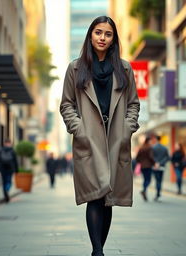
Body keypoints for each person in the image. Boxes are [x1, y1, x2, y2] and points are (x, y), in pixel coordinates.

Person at [60, 16, 140, 256]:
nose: (102, 38)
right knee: (95, 196)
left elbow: (133, 104)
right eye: (98, 32)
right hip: (90, 141)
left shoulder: (124, 68)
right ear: (90, 35)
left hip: (115, 140)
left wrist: (127, 128)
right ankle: (97, 251)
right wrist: (79, 129)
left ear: (113, 38)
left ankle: (99, 249)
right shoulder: (75, 68)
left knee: (108, 198)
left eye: (108, 34)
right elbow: (67, 105)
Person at [151, 134, 169, 202]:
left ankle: (157, 194)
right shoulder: (164, 148)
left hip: (155, 167)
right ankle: (158, 193)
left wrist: (156, 163)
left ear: (156, 139)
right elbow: (167, 157)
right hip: (162, 167)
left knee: (157, 180)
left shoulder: (153, 148)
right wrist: (161, 163)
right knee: (160, 181)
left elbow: (152, 157)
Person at [136, 136, 155, 202]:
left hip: (142, 166)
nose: (151, 142)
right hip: (148, 166)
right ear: (148, 141)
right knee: (149, 180)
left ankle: (144, 192)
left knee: (145, 179)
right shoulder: (150, 148)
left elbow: (137, 157)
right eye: (150, 141)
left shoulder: (141, 148)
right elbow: (151, 157)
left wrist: (140, 162)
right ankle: (144, 191)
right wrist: (154, 163)